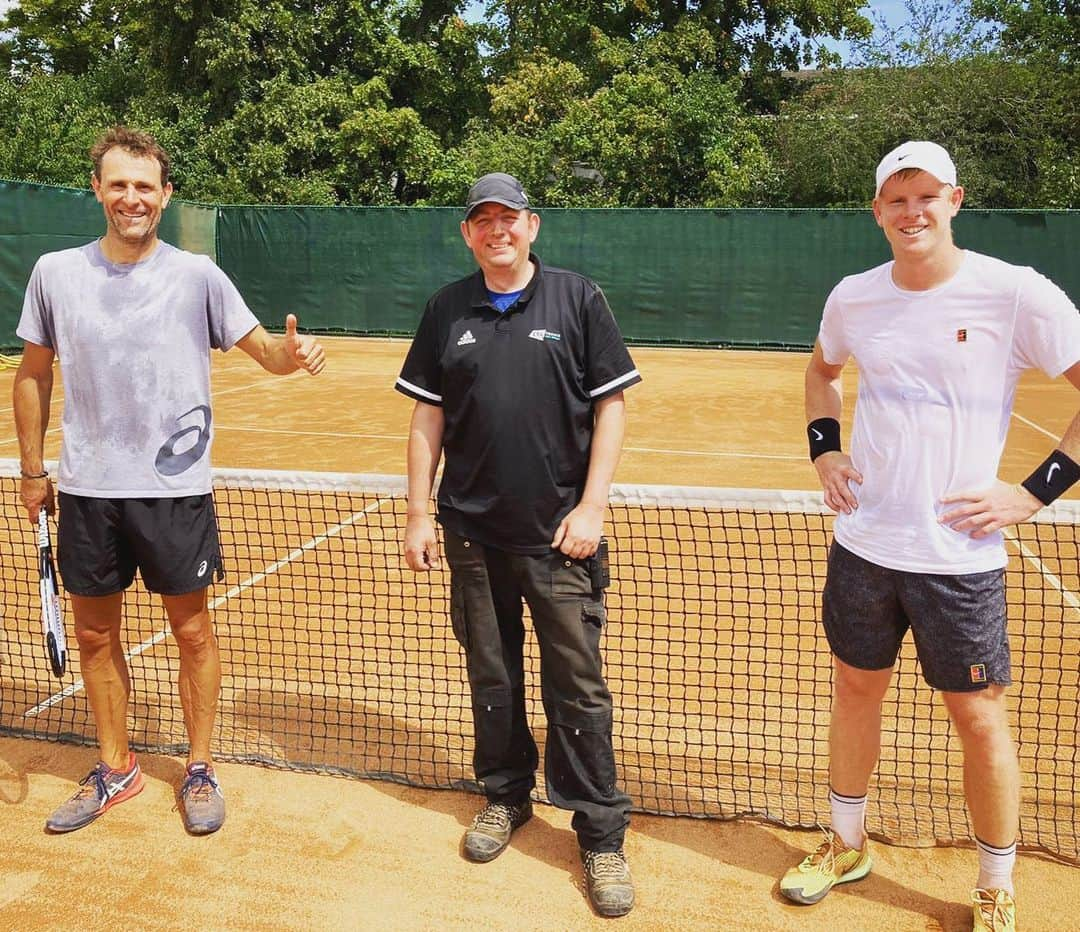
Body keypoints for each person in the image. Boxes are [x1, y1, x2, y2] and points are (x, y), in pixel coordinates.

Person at [779, 141, 1080, 931]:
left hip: (960, 561)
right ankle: (846, 843)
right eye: (896, 200)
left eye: (926, 197)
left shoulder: (1014, 295)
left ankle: (995, 885)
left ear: (955, 200)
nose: (911, 213)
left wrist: (1033, 492)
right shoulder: (854, 296)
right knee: (854, 690)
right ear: (877, 211)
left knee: (979, 719)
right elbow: (821, 373)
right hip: (865, 546)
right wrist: (825, 449)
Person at [13, 126, 326, 836]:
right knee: (95, 637)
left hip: (174, 492)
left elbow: (264, 353)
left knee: (191, 632)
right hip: (88, 490)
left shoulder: (198, 276)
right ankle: (116, 767)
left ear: (166, 195)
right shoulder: (55, 273)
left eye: (145, 187)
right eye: (118, 185)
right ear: (97, 189)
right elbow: (33, 374)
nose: (132, 198)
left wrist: (292, 352)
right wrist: (34, 472)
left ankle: (201, 767)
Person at [396, 172, 641, 917]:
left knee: (577, 687)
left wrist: (592, 506)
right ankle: (506, 798)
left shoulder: (577, 298)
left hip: (560, 541)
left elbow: (613, 408)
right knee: (493, 681)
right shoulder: (446, 310)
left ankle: (599, 834)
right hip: (472, 537)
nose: (497, 230)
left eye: (509, 218)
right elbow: (426, 422)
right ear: (468, 233)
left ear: (532, 226)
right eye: (483, 221)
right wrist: (418, 512)